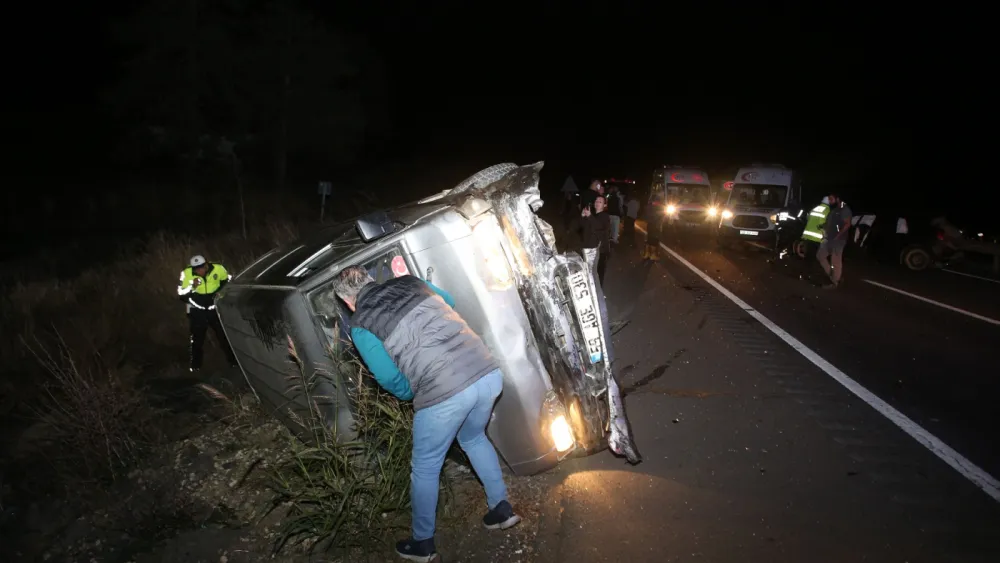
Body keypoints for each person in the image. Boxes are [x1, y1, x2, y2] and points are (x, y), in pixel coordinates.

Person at [331, 267, 520, 562]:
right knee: (473, 438)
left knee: (425, 466)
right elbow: (449, 302)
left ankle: (422, 543)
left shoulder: (361, 325)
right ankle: (501, 509)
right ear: (370, 280)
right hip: (486, 371)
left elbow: (389, 377)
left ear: (348, 302)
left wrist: (413, 393)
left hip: (444, 391)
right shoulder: (411, 282)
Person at [177, 255, 238, 372]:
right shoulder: (186, 274)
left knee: (223, 336)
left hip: (214, 309)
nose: (199, 270)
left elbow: (229, 281)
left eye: (201, 267)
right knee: (196, 339)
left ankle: (234, 363)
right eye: (196, 268)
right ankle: (195, 367)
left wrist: (221, 294)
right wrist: (191, 286)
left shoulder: (218, 269)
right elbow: (181, 294)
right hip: (197, 310)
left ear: (206, 265)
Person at [816, 193, 852, 289]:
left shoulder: (845, 209)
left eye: (831, 199)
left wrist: (838, 235)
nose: (830, 201)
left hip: (838, 240)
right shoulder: (835, 210)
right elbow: (829, 223)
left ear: (838, 199)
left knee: (835, 261)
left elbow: (847, 224)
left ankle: (835, 282)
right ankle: (833, 276)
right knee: (820, 256)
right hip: (829, 239)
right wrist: (822, 227)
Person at [578, 195, 612, 285]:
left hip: (599, 252)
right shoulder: (593, 215)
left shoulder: (605, 216)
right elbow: (582, 227)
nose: (597, 203)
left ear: (604, 205)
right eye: (596, 201)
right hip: (587, 248)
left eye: (600, 202)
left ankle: (598, 296)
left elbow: (599, 227)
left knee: (596, 276)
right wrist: (582, 216)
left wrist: (589, 216)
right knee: (588, 273)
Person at [642, 196, 663, 261]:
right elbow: (658, 217)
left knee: (649, 239)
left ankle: (646, 254)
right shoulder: (657, 208)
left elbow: (645, 217)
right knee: (654, 240)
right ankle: (653, 255)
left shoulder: (648, 207)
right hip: (655, 225)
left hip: (650, 225)